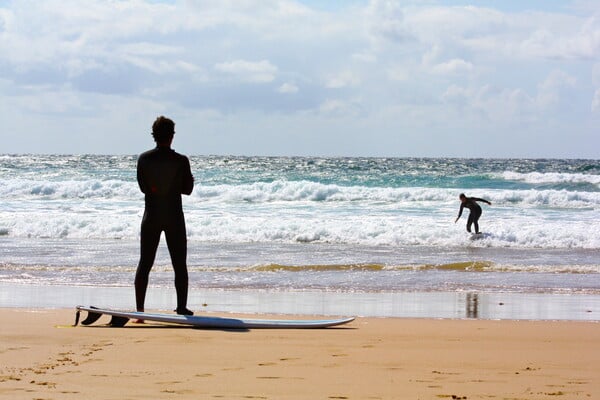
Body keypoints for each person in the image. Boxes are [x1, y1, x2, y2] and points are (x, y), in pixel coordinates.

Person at [135, 116, 194, 316]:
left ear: (154, 135)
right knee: (179, 264)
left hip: (151, 215)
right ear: (172, 136)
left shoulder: (144, 159)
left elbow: (144, 188)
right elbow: (187, 190)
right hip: (174, 217)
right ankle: (181, 308)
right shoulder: (181, 161)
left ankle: (140, 312)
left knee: (145, 263)